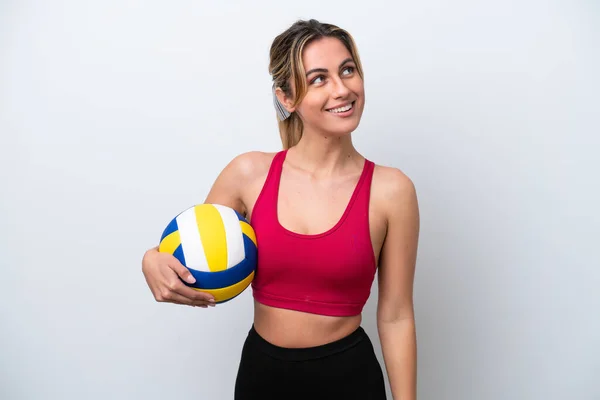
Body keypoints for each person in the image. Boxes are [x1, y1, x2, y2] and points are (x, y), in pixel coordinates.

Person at [141, 19, 420, 400]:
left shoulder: (392, 191)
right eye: (319, 79)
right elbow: (195, 251)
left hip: (350, 379)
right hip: (262, 378)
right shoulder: (248, 174)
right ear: (287, 98)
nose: (342, 89)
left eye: (348, 70)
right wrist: (150, 259)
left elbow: (396, 315)